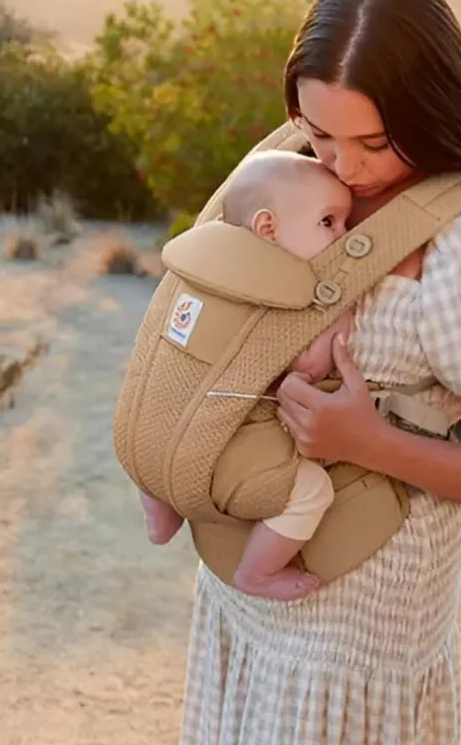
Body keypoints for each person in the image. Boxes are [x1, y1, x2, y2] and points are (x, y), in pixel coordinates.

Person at [178, 0, 461, 745]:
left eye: (373, 139)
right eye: (319, 131)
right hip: (249, 564)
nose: (344, 168)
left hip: (363, 601)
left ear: (434, 106)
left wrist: (368, 442)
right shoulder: (294, 168)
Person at [138, 149, 354, 601]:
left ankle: (160, 512)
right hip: (214, 449)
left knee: (157, 434)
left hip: (145, 435)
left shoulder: (201, 269)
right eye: (329, 222)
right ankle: (257, 572)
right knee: (311, 491)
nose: (345, 234)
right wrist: (341, 319)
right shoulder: (283, 293)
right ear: (267, 229)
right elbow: (309, 367)